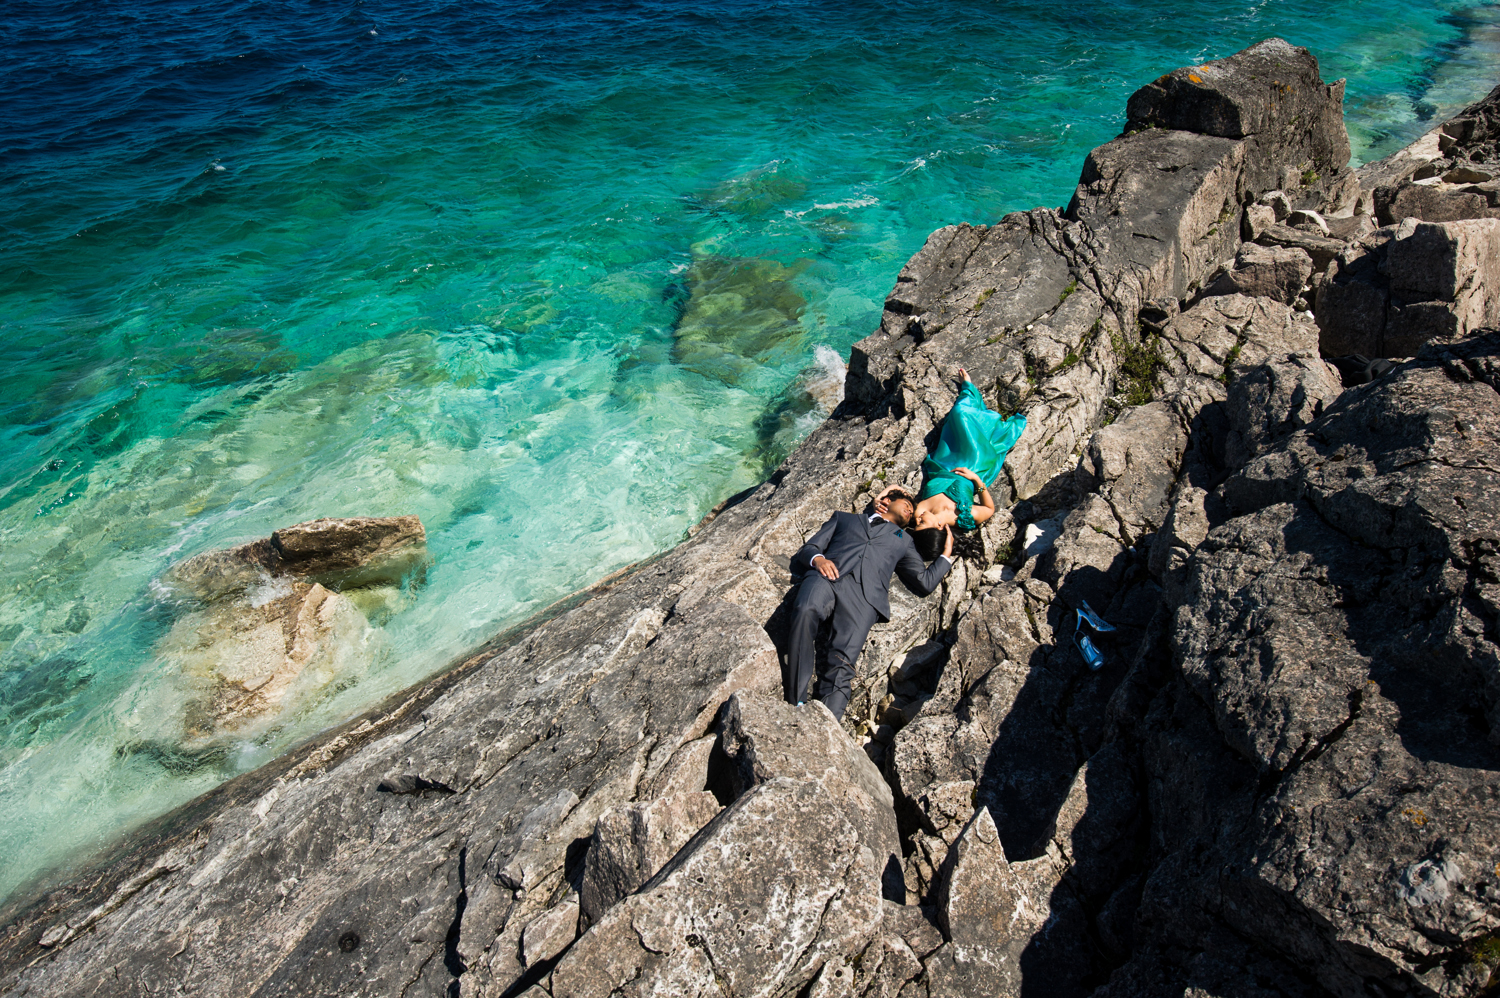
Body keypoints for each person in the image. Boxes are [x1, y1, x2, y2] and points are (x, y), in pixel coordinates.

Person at [786, 491, 953, 719]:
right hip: (827, 577)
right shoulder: (845, 518)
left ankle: (826, 727)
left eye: (912, 512)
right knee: (805, 610)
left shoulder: (905, 541)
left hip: (865, 600)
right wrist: (819, 560)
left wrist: (946, 555)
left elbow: (924, 582)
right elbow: (809, 548)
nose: (910, 511)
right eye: (906, 505)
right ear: (886, 502)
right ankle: (796, 702)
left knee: (842, 663)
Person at [875, 366, 1025, 559]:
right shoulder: (961, 518)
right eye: (922, 523)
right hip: (973, 466)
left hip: (942, 462)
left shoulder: (918, 511)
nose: (918, 519)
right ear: (939, 526)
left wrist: (878, 500)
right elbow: (989, 509)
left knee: (958, 416)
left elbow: (896, 487)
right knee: (968, 427)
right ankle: (970, 391)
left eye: (917, 523)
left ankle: (970, 394)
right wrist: (978, 482)